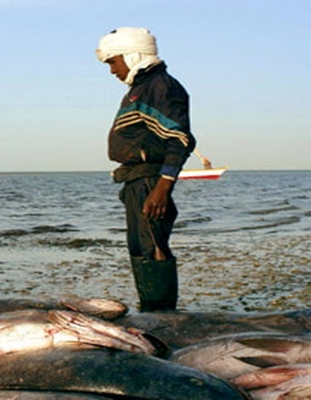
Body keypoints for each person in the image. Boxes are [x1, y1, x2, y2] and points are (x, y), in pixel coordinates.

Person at [95, 27, 196, 312]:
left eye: (113, 61)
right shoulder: (141, 88)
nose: (112, 69)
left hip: (150, 181)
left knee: (152, 246)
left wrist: (163, 187)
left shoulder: (161, 86)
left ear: (132, 55)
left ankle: (160, 314)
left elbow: (179, 138)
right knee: (142, 246)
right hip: (136, 179)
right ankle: (154, 309)